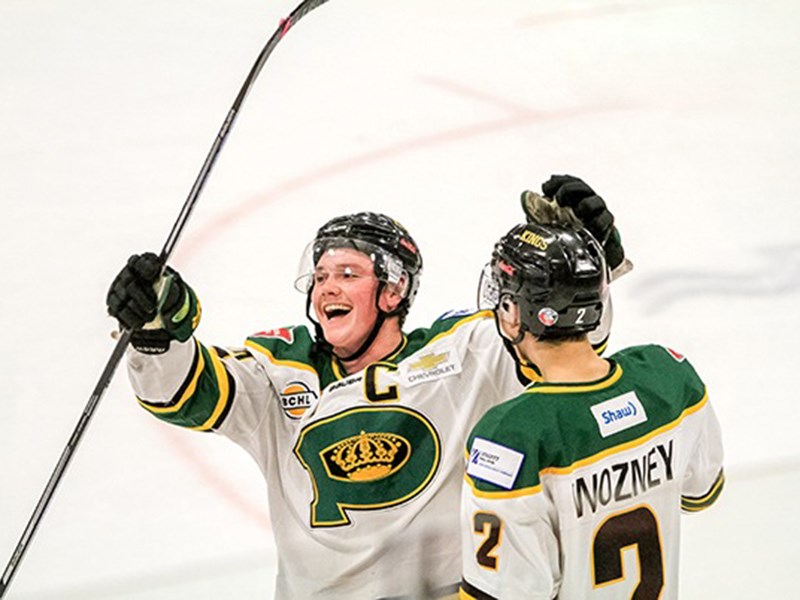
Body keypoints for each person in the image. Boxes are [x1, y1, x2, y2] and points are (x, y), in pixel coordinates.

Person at [106, 176, 626, 599]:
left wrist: (585, 270)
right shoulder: (279, 370)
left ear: (394, 289)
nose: (326, 285)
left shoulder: (463, 353)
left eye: (348, 273)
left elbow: (562, 340)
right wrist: (157, 332)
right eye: (320, 274)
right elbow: (182, 392)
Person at [460, 221, 724, 599]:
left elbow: (505, 593)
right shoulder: (669, 375)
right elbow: (701, 492)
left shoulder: (509, 437)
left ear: (513, 313)